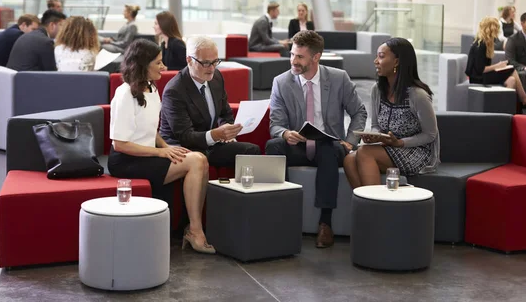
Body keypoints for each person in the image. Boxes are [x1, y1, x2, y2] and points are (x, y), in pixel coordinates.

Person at [109, 39, 214, 254]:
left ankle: (192, 228)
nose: (164, 67)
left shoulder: (151, 87)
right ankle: (195, 230)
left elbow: (149, 129)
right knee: (196, 161)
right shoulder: (125, 93)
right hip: (127, 160)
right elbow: (120, 144)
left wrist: (167, 146)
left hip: (147, 154)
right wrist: (162, 152)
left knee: (199, 158)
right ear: (142, 65)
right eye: (158, 63)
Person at [266, 30, 367, 248]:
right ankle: (282, 216)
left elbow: (359, 112)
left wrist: (350, 141)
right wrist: (285, 133)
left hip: (331, 146)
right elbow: (275, 123)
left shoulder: (339, 78)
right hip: (298, 146)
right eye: (292, 54)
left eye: (299, 56)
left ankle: (325, 223)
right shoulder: (281, 82)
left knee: (327, 149)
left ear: (316, 57)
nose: (293, 60)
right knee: (273, 146)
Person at [343, 38, 440, 191]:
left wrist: (399, 143)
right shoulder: (377, 90)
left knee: (364, 152)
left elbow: (430, 134)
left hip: (416, 151)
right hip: (387, 147)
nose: (375, 61)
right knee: (349, 159)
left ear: (396, 62)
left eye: (381, 56)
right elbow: (375, 126)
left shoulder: (418, 95)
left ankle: (376, 204)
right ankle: (369, 207)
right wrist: (373, 136)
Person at [159, 35, 260, 168]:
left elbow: (225, 113)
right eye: (206, 63)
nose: (212, 68)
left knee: (252, 150)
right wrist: (215, 135)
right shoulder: (175, 91)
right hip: (183, 147)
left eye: (215, 62)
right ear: (189, 60)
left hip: (211, 143)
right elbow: (185, 135)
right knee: (200, 158)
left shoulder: (216, 78)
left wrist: (227, 133)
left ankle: (242, 188)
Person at [465, 17, 526, 109]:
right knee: (512, 70)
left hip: (482, 76)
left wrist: (499, 67)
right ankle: (524, 99)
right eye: (496, 29)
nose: (498, 32)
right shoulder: (481, 45)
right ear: (491, 29)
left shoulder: (486, 43)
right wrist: (498, 66)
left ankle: (505, 109)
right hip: (478, 78)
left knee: (512, 80)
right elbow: (481, 69)